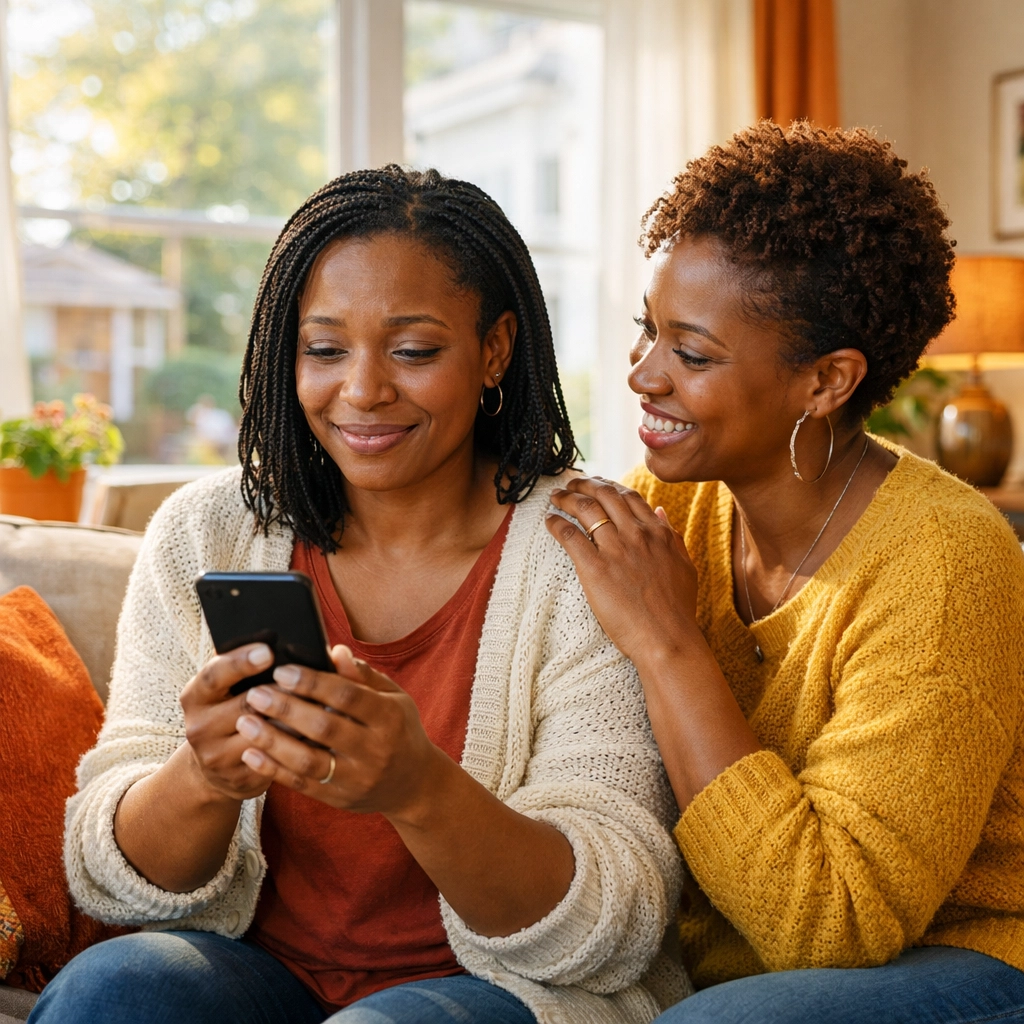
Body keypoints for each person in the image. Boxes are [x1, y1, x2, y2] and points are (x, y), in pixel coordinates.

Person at [30, 167, 687, 1024]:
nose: (364, 390)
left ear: (495, 349)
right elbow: (108, 879)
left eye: (413, 352)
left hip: (503, 995)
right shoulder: (206, 532)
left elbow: (619, 920)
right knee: (114, 989)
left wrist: (418, 788)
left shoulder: (583, 553)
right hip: (258, 979)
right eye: (325, 350)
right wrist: (204, 776)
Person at [547, 121, 1024, 1024]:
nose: (643, 376)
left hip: (970, 955)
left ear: (827, 381)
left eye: (691, 354)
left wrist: (668, 643)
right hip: (730, 968)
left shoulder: (946, 562)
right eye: (648, 332)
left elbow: (834, 925)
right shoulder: (674, 505)